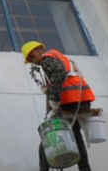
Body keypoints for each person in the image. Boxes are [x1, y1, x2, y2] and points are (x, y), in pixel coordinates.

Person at [21, 41, 96, 171]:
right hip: (80, 99)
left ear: (39, 49)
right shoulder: (58, 56)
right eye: (31, 60)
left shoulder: (46, 59)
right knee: (76, 136)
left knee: (47, 135)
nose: (34, 61)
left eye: (33, 57)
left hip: (70, 101)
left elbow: (58, 73)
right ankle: (85, 169)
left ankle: (43, 169)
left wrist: (54, 99)